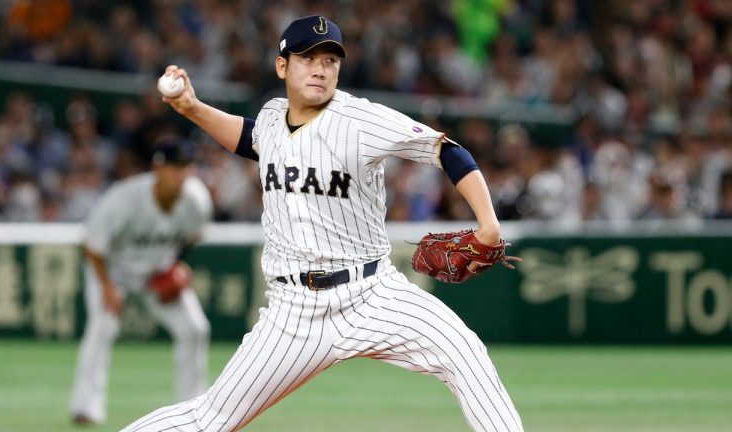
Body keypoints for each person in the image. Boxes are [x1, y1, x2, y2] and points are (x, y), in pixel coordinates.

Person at [123, 15, 523, 432]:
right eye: (307, 58)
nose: (319, 68)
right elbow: (250, 138)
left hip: (371, 293)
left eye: (330, 60)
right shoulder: (273, 118)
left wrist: (488, 225)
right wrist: (191, 107)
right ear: (282, 66)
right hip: (293, 311)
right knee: (212, 418)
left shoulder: (361, 121)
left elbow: (448, 151)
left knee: (465, 353)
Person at [70, 138, 212, 426]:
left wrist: (177, 265)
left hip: (154, 274)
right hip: (112, 272)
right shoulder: (125, 198)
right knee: (102, 327)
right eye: (175, 167)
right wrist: (108, 288)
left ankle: (193, 407)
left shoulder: (196, 200)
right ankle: (86, 407)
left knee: (195, 328)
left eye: (186, 167)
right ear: (157, 168)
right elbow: (93, 246)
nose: (182, 174)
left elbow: (193, 236)